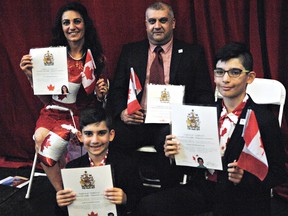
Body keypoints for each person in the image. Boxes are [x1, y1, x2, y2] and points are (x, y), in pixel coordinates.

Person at [137, 42, 287, 215]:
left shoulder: (264, 119)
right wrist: (175, 155)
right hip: (205, 189)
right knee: (149, 205)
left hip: (242, 196)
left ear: (250, 77)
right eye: (220, 72)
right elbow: (189, 168)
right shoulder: (202, 113)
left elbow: (279, 173)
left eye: (235, 72)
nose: (225, 79)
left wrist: (245, 179)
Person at [108, 1, 214, 188]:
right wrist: (123, 113)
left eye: (163, 20)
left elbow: (204, 95)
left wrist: (184, 119)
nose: (157, 26)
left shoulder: (193, 53)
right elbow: (117, 89)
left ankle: (169, 197)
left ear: (173, 23)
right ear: (146, 24)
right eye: (152, 21)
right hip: (138, 119)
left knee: (169, 142)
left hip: (173, 123)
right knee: (115, 137)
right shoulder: (130, 51)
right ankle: (131, 195)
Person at [19, 2, 109, 192]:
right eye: (66, 22)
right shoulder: (51, 56)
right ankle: (63, 193)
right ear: (61, 27)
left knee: (65, 143)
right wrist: (30, 75)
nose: (71, 27)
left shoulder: (96, 58)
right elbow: (46, 100)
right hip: (54, 113)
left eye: (77, 21)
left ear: (85, 24)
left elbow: (99, 101)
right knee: (41, 138)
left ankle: (75, 189)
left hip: (83, 115)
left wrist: (102, 94)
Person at [56, 107, 142, 216]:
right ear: (80, 136)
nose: (95, 140)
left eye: (101, 133)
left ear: (111, 135)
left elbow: (140, 199)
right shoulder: (72, 168)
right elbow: (66, 210)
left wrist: (126, 199)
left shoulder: (127, 164)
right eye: (88, 134)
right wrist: (61, 203)